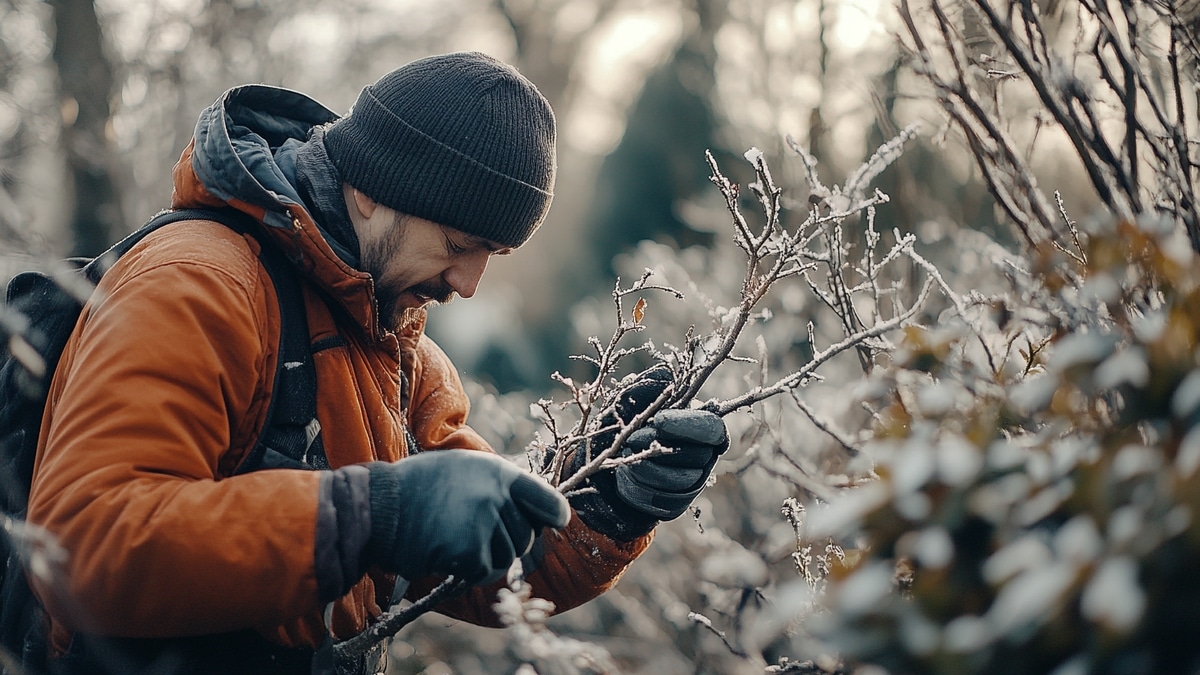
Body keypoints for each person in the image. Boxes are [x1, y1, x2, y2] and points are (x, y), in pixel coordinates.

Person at [24, 51, 728, 674]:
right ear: (370, 187)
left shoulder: (402, 357)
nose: (470, 283)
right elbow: (81, 545)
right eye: (458, 242)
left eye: (494, 254)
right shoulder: (198, 283)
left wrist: (610, 500)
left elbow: (488, 564)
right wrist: (367, 516)